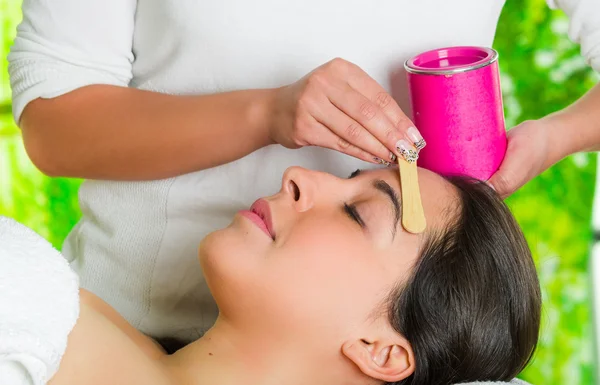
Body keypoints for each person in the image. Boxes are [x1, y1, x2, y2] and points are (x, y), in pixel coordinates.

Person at [7, 0, 595, 348]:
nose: (297, 176)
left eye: (368, 206)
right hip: (134, 322)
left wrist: (551, 139)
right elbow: (53, 124)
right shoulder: (36, 330)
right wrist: (266, 113)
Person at [5, 166, 542, 385]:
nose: (300, 175)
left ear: (380, 351)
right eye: (347, 177)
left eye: (358, 214)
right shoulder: (38, 299)